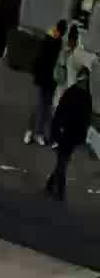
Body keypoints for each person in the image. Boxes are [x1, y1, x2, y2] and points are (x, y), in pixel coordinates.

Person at [45, 68, 92, 201]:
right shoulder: (86, 96)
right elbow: (85, 119)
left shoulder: (72, 92)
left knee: (62, 161)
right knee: (63, 162)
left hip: (66, 132)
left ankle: (51, 184)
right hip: (69, 134)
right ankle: (60, 191)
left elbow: (60, 112)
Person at [27, 20, 68, 146]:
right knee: (46, 105)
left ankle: (33, 131)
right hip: (49, 78)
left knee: (42, 104)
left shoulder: (49, 36)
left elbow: (39, 57)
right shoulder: (57, 42)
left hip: (42, 77)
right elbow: (55, 61)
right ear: (63, 30)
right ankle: (39, 133)